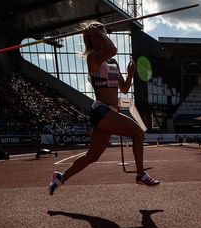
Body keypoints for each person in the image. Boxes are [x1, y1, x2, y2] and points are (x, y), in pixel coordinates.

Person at [49, 22, 159, 195]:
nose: (103, 35)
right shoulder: (93, 57)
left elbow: (123, 88)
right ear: (92, 39)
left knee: (92, 156)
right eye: (99, 34)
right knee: (138, 132)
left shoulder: (112, 61)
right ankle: (140, 174)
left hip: (109, 112)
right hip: (101, 110)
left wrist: (130, 75)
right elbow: (113, 48)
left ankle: (60, 177)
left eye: (103, 32)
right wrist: (98, 34)